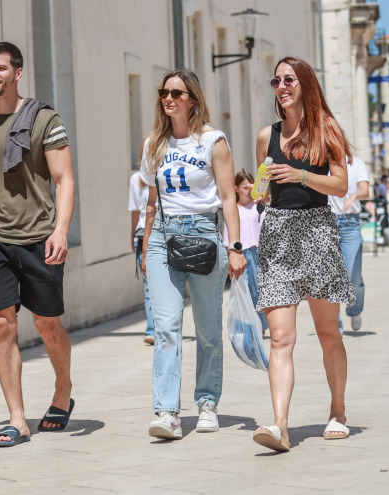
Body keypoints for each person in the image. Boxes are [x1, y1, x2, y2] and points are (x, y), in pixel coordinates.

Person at [0, 42, 76, 447]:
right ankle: (17, 419)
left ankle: (63, 390)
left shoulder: (43, 119)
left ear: (17, 73)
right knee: (1, 323)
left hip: (39, 237)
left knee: (46, 324)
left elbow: (64, 179)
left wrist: (61, 231)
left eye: (0, 68)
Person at [251, 56, 354, 452]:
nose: (282, 86)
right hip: (277, 236)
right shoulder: (267, 136)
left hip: (317, 233)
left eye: (289, 79)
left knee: (328, 333)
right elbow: (263, 187)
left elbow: (340, 185)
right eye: (276, 81)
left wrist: (301, 175)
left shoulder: (326, 130)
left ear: (305, 84)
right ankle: (279, 425)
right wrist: (259, 192)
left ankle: (338, 411)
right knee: (280, 338)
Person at [140, 69, 246, 440]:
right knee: (166, 328)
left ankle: (207, 403)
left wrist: (235, 247)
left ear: (192, 99)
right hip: (162, 237)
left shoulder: (213, 141)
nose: (168, 98)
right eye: (163, 92)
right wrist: (145, 247)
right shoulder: (153, 144)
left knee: (207, 329)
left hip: (204, 234)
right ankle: (167, 412)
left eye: (176, 93)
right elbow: (151, 203)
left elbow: (229, 198)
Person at [223, 170, 268, 333]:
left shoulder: (258, 208)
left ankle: (261, 326)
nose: (248, 191)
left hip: (257, 253)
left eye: (251, 187)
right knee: (243, 292)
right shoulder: (232, 210)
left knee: (257, 291)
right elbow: (227, 236)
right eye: (244, 187)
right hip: (240, 254)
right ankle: (248, 327)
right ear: (236, 188)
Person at [328, 156, 369, 333]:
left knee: (353, 275)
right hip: (326, 222)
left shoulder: (356, 163)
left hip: (350, 223)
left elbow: (365, 191)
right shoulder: (320, 162)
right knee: (330, 276)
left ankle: (354, 310)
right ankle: (335, 325)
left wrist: (354, 195)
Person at [128, 167, 155, 345]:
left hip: (165, 234)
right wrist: (132, 235)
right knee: (149, 286)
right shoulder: (136, 179)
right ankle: (152, 330)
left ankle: (163, 328)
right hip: (143, 234)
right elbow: (135, 211)